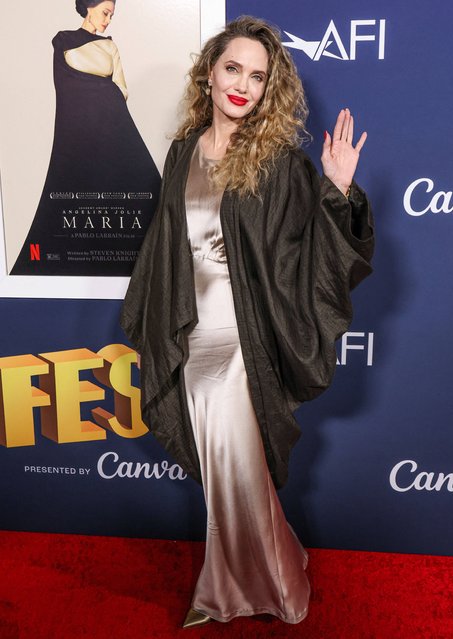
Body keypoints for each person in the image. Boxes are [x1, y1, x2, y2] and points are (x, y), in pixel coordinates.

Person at [121, 16, 374, 628]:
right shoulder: (183, 150)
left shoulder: (277, 162)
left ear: (268, 90)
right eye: (233, 69)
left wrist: (336, 192)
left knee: (241, 465)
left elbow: (303, 255)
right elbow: (165, 248)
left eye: (257, 77)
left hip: (241, 339)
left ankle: (251, 591)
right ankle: (274, 563)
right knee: (222, 474)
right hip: (190, 332)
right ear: (210, 72)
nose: (243, 85)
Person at [11, 0, 160, 276]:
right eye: (105, 12)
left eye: (112, 16)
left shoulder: (110, 46)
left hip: (112, 126)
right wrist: (100, 85)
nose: (108, 20)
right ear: (89, 7)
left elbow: (121, 89)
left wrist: (103, 92)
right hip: (77, 131)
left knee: (144, 193)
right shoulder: (63, 40)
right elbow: (67, 85)